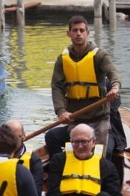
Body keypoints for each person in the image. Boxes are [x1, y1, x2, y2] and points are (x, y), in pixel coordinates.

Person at [46, 15, 122, 160]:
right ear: (69, 34)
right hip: (76, 120)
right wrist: (61, 111)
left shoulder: (100, 56)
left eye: (82, 30)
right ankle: (60, 170)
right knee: (51, 137)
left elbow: (114, 73)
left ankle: (105, 180)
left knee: (105, 154)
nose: (78, 34)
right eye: (74, 30)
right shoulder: (62, 60)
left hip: (99, 120)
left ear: (88, 33)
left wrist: (115, 87)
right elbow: (56, 87)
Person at [44, 124, 130, 196]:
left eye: (84, 142)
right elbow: (53, 191)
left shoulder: (106, 165)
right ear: (71, 142)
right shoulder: (59, 161)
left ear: (93, 142)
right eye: (76, 142)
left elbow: (113, 193)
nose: (80, 146)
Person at [3, 119, 44, 196]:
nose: (11, 141)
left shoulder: (34, 161)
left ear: (23, 136)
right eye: (8, 137)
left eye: (16, 137)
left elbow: (35, 194)